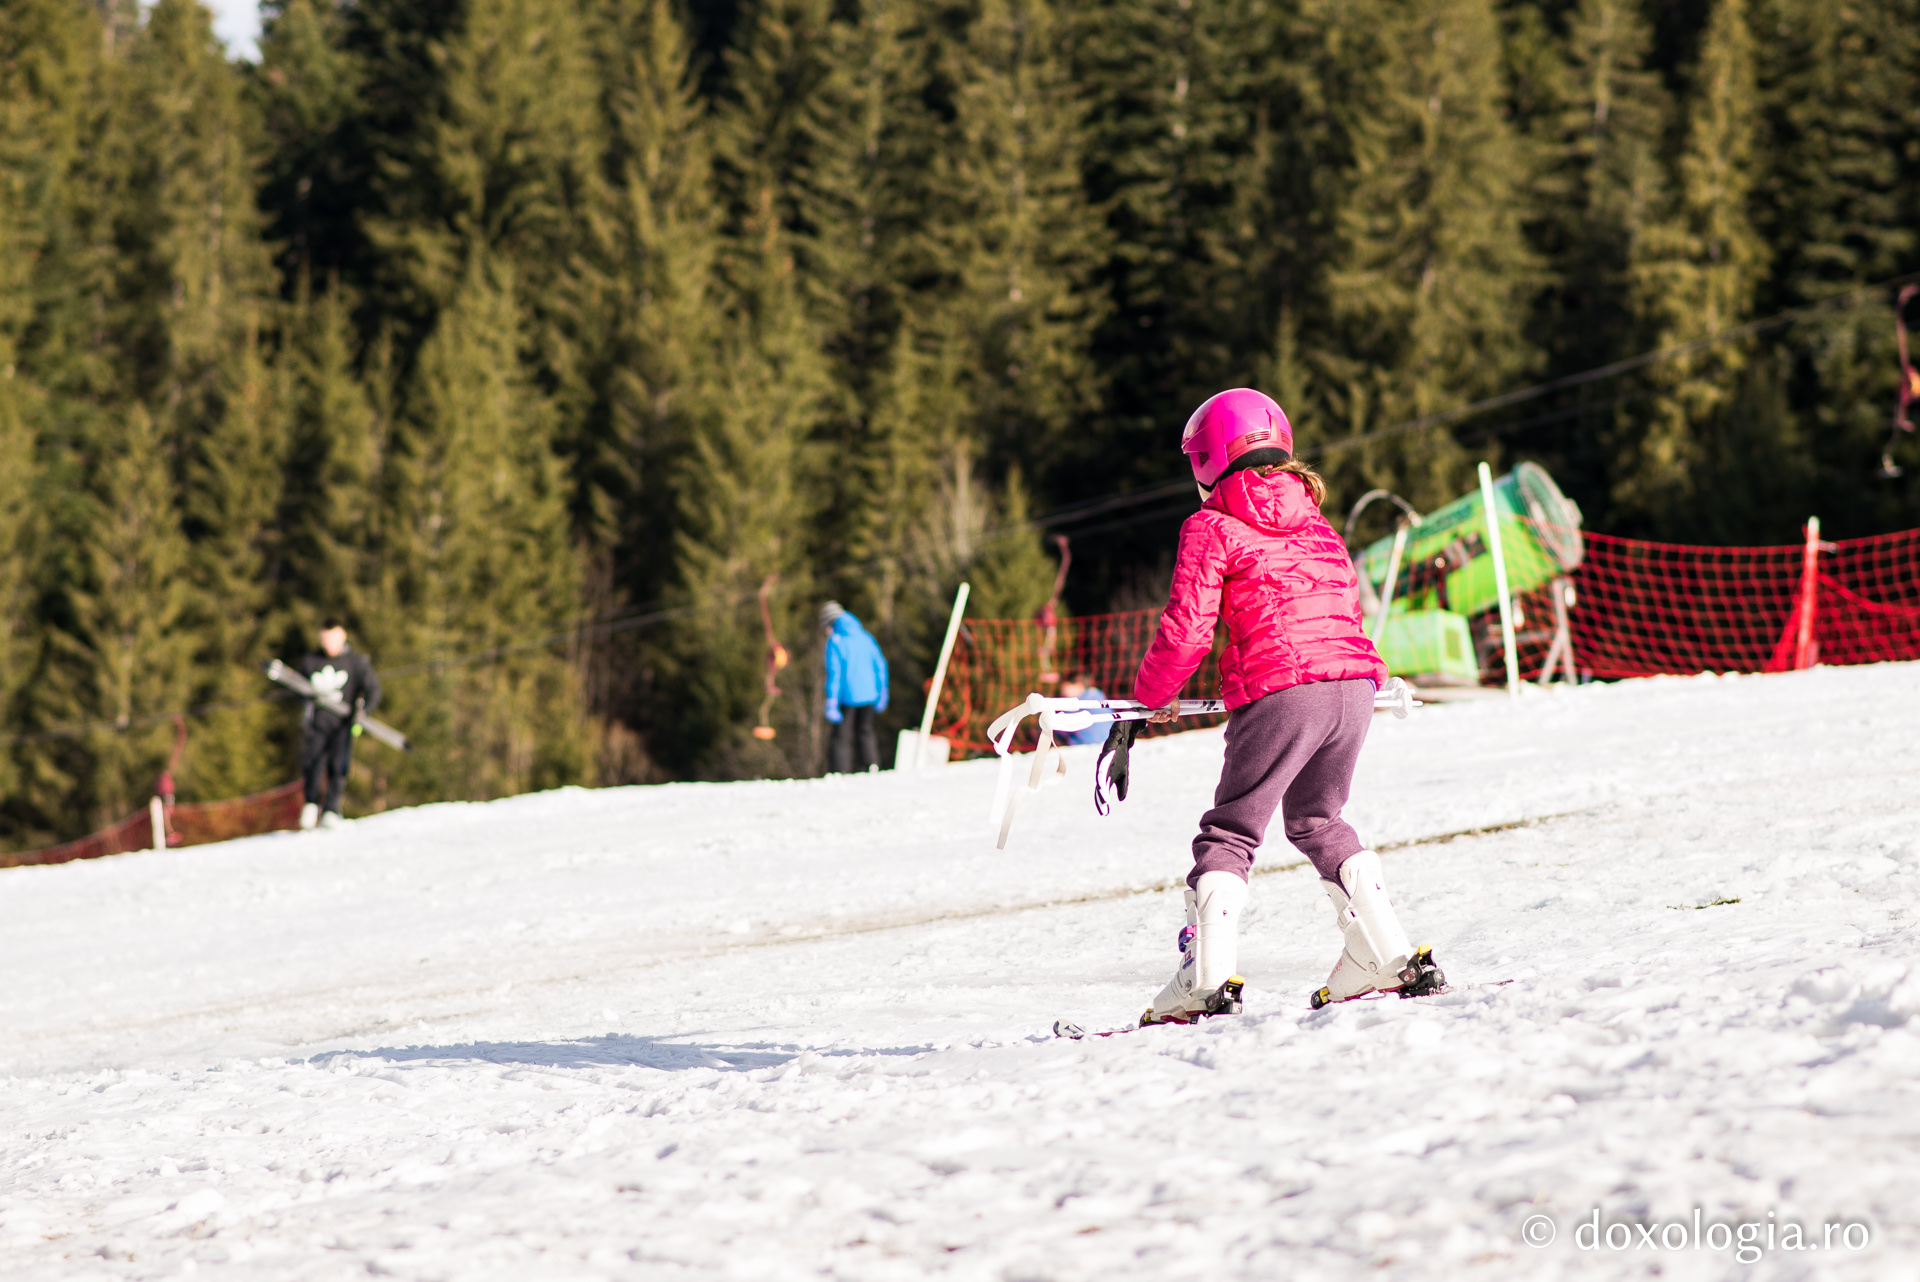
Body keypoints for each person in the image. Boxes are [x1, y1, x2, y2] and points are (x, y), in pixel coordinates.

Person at [1130, 388, 1444, 1025]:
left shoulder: (1211, 525)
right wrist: (1370, 677)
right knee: (1319, 819)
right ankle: (1382, 952)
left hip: (1281, 694)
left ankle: (1207, 981)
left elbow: (1188, 630)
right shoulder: (1319, 523)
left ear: (1205, 459)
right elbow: (1341, 609)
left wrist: (1146, 702)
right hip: (1353, 689)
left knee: (1231, 832)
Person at [294, 618, 381, 831]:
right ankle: (311, 804)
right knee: (312, 763)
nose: (328, 643)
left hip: (342, 725)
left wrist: (363, 712)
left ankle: (332, 809)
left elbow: (373, 690)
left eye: (332, 638)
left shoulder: (356, 662)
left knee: (338, 765)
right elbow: (296, 689)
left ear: (342, 636)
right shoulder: (311, 661)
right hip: (317, 724)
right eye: (325, 638)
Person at [820, 601, 888, 773]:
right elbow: (880, 664)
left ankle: (839, 771)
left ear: (831, 623)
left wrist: (832, 700)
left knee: (841, 737)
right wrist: (882, 689)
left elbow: (835, 673)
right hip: (870, 694)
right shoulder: (866, 636)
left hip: (847, 696)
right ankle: (871, 764)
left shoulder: (835, 641)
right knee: (866, 731)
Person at [1054, 670, 1111, 746]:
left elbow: (1059, 726)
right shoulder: (1098, 695)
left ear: (1078, 685)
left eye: (1066, 687)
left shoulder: (1079, 704)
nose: (1063, 691)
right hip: (1109, 742)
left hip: (1087, 746)